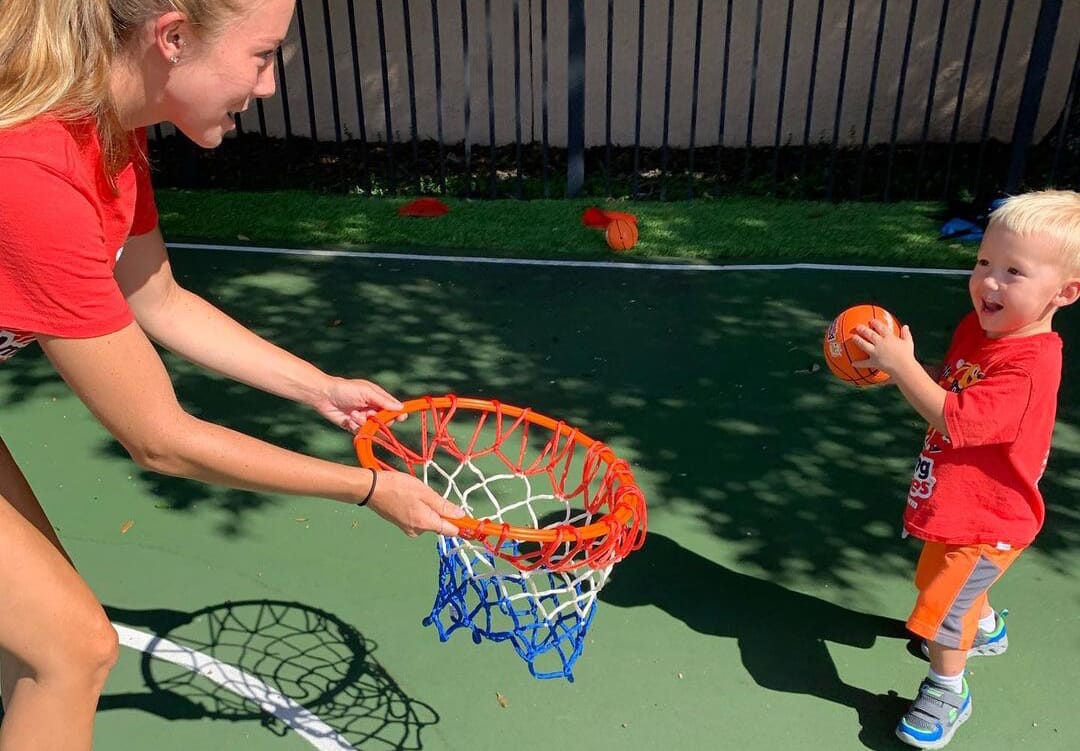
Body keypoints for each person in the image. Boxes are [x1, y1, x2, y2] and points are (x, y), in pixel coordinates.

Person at [0, 2, 463, 748]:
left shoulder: (109, 134)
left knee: (42, 649)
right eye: (262, 54)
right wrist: (369, 488)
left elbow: (159, 299)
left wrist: (318, 386)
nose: (271, 84)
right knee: (70, 651)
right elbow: (160, 439)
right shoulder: (31, 175)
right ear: (173, 37)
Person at [851, 189, 1080, 748]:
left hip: (988, 519)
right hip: (960, 502)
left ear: (1065, 292)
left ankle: (948, 689)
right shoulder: (979, 331)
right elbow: (956, 383)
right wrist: (905, 370)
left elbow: (957, 418)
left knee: (943, 612)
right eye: (983, 262)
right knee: (938, 583)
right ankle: (986, 625)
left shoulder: (1028, 367)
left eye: (1013, 272)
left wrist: (904, 369)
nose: (988, 282)